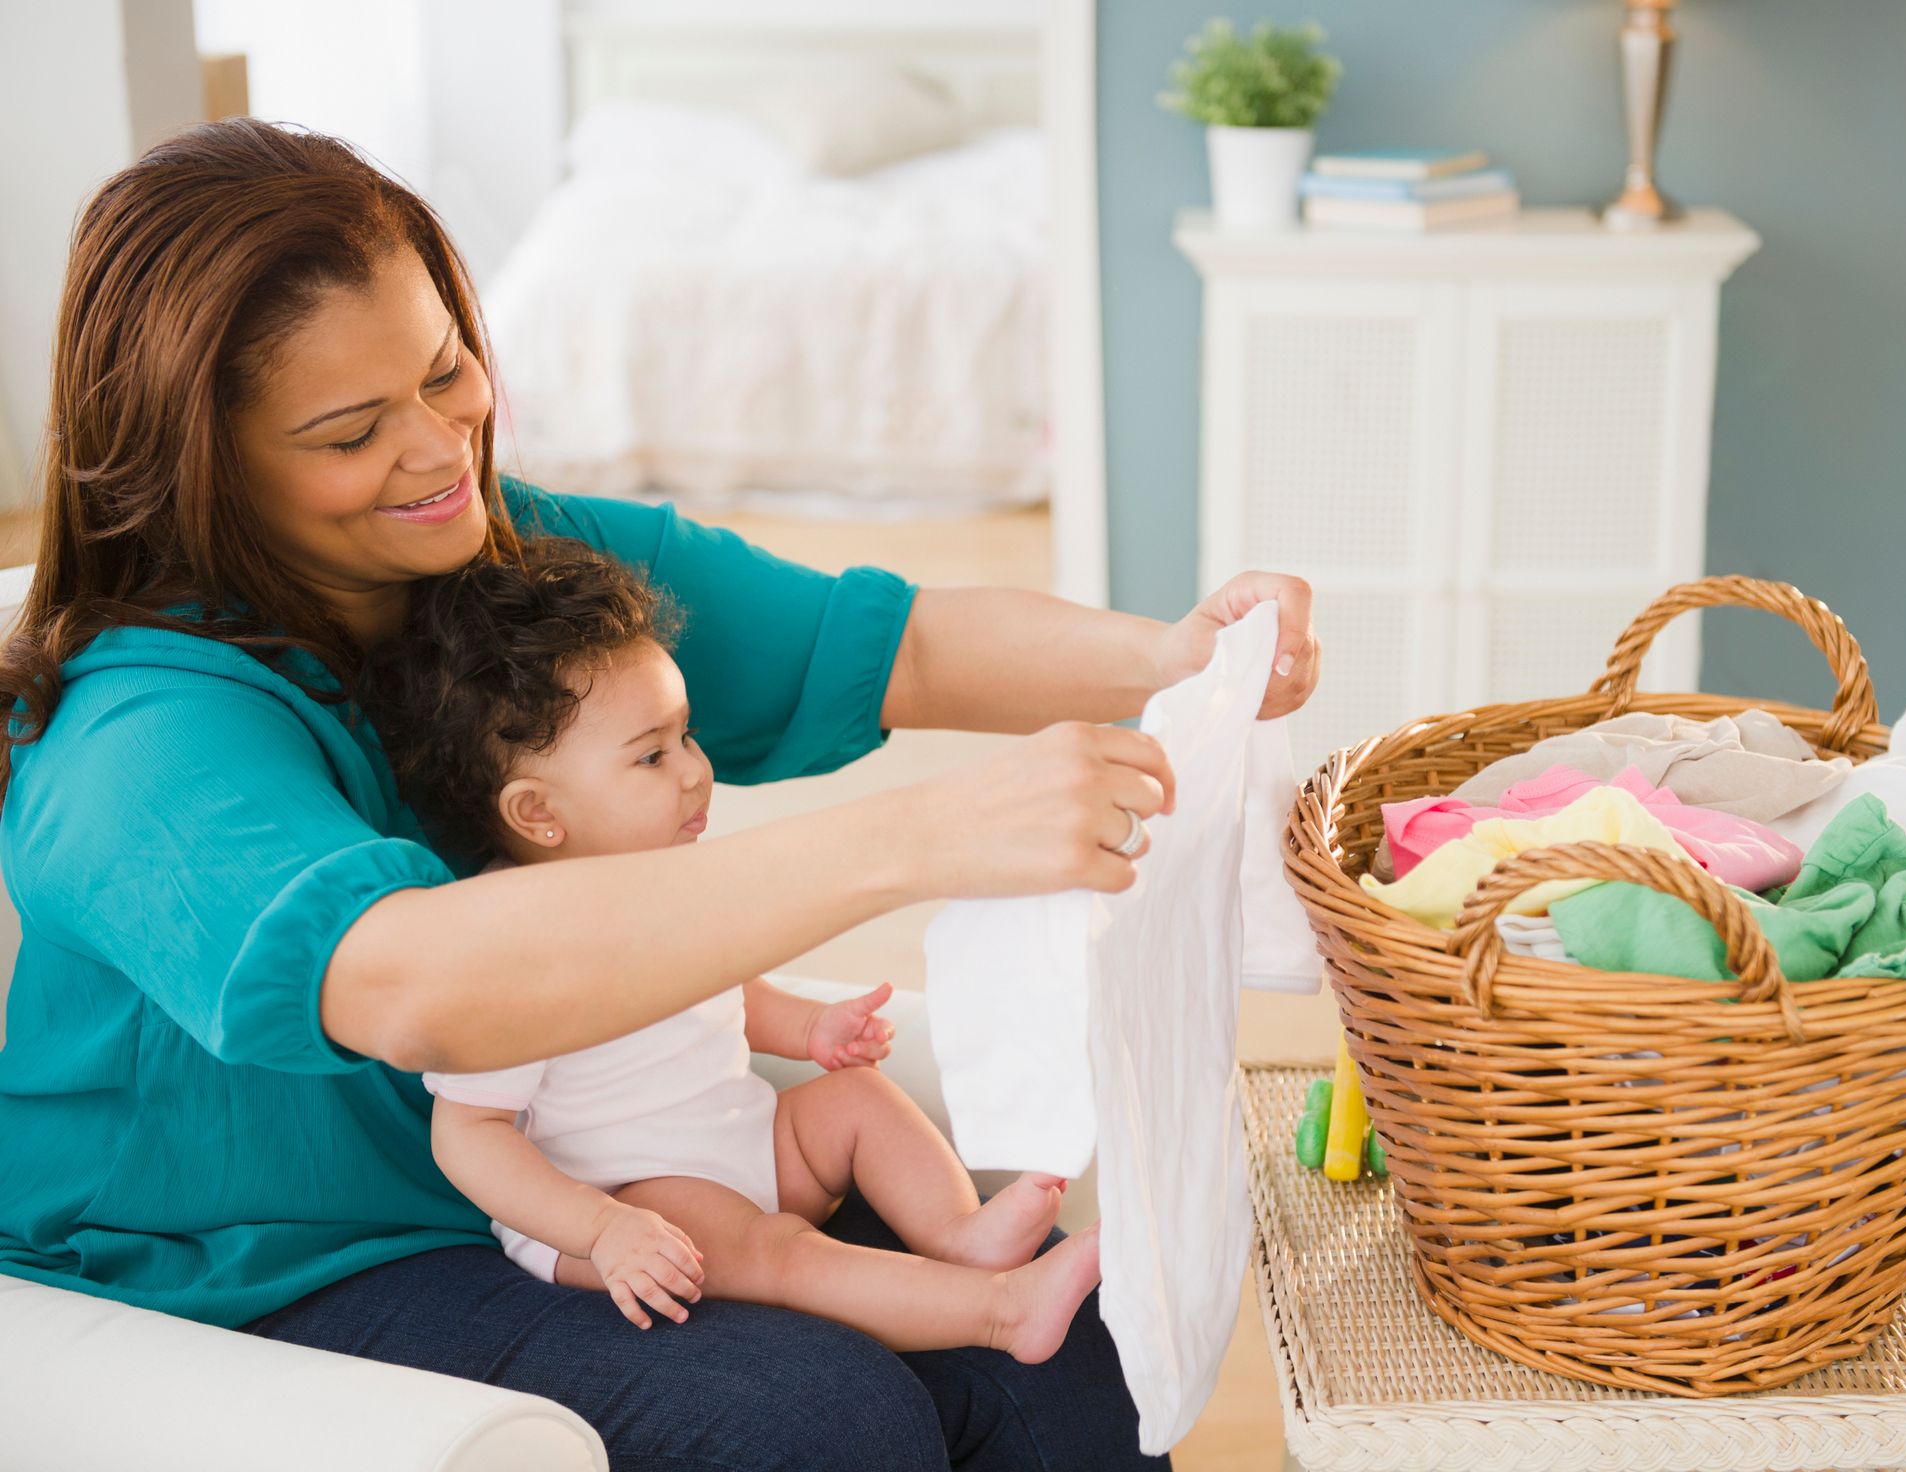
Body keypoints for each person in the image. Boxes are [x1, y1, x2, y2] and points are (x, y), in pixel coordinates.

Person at [0, 118, 1318, 1470]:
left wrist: (1175, 655)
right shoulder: (136, 739)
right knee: (817, 1422)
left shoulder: (506, 568)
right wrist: (922, 838)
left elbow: (882, 643)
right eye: (350, 432)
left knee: (1073, 1371)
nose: (436, 446)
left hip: (564, 1175)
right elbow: (404, 981)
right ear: (202, 460)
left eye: (446, 369)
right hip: (254, 1263)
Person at [366, 537, 1096, 1357]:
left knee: (856, 1100)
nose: (695, 772)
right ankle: (1000, 1312)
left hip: (746, 1140)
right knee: (778, 1254)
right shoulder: (503, 946)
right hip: (637, 1195)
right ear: (538, 812)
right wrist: (603, 1228)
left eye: (687, 737)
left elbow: (721, 989)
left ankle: (959, 1234)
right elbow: (469, 1133)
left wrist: (807, 1029)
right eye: (650, 755)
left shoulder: (671, 880)